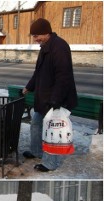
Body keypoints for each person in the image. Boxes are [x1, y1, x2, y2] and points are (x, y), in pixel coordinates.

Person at [21, 18, 77, 172]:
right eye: (33, 36)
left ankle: (50, 163)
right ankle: (36, 151)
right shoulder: (45, 46)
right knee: (36, 124)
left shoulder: (60, 47)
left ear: (46, 33)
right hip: (43, 97)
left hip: (55, 99)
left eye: (36, 35)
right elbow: (38, 72)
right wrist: (28, 87)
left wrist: (56, 99)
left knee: (52, 131)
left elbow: (63, 76)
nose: (35, 39)